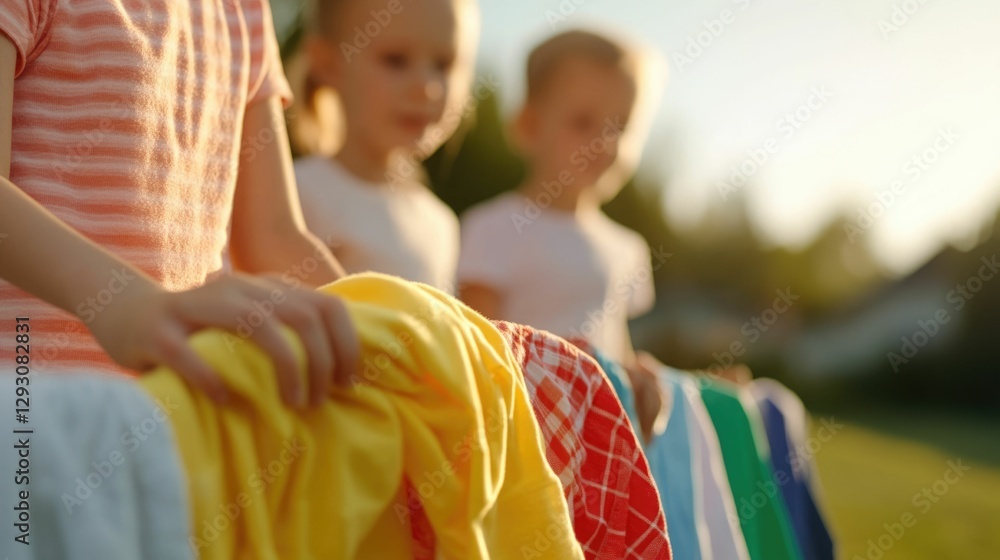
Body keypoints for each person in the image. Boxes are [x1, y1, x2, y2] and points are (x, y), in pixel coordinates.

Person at [0, 0, 359, 408]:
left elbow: (273, 234)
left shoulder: (245, 9)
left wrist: (384, 335)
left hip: (181, 422)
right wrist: (127, 304)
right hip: (30, 413)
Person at [457, 30, 665, 441]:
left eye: (621, 127)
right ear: (529, 126)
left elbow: (616, 348)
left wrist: (640, 378)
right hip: (520, 435)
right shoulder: (492, 228)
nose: (606, 144)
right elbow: (478, 349)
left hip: (598, 443)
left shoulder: (627, 248)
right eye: (584, 123)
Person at [291, 0, 480, 294]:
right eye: (396, 60)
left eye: (444, 64)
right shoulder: (294, 196)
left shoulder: (441, 223)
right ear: (328, 65)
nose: (426, 87)